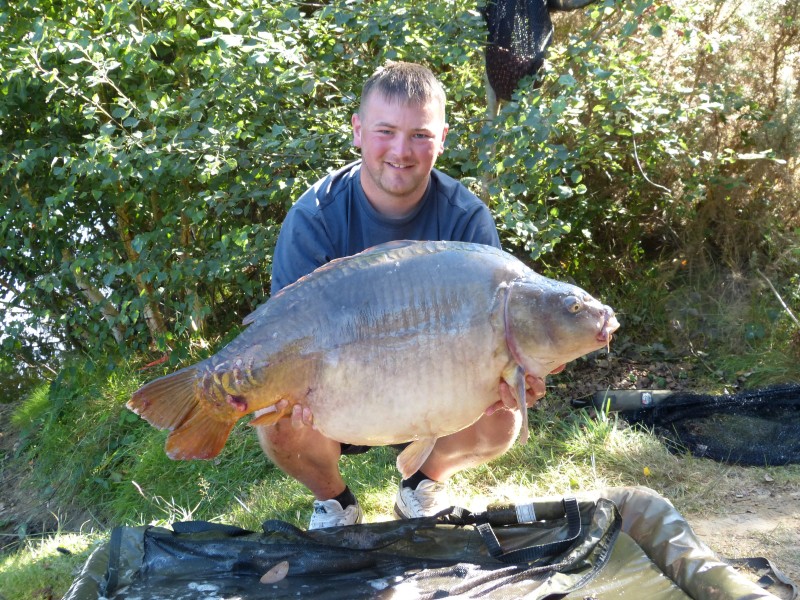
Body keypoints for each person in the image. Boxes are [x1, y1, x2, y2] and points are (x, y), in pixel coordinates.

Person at [258, 61, 546, 530]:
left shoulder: (466, 220)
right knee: (276, 418)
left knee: (504, 415)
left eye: (420, 135)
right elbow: (284, 336)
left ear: (442, 139)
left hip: (437, 392)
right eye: (386, 131)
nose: (401, 150)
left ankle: (421, 484)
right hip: (339, 394)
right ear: (357, 131)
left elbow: (497, 332)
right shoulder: (315, 217)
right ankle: (334, 502)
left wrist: (515, 375)